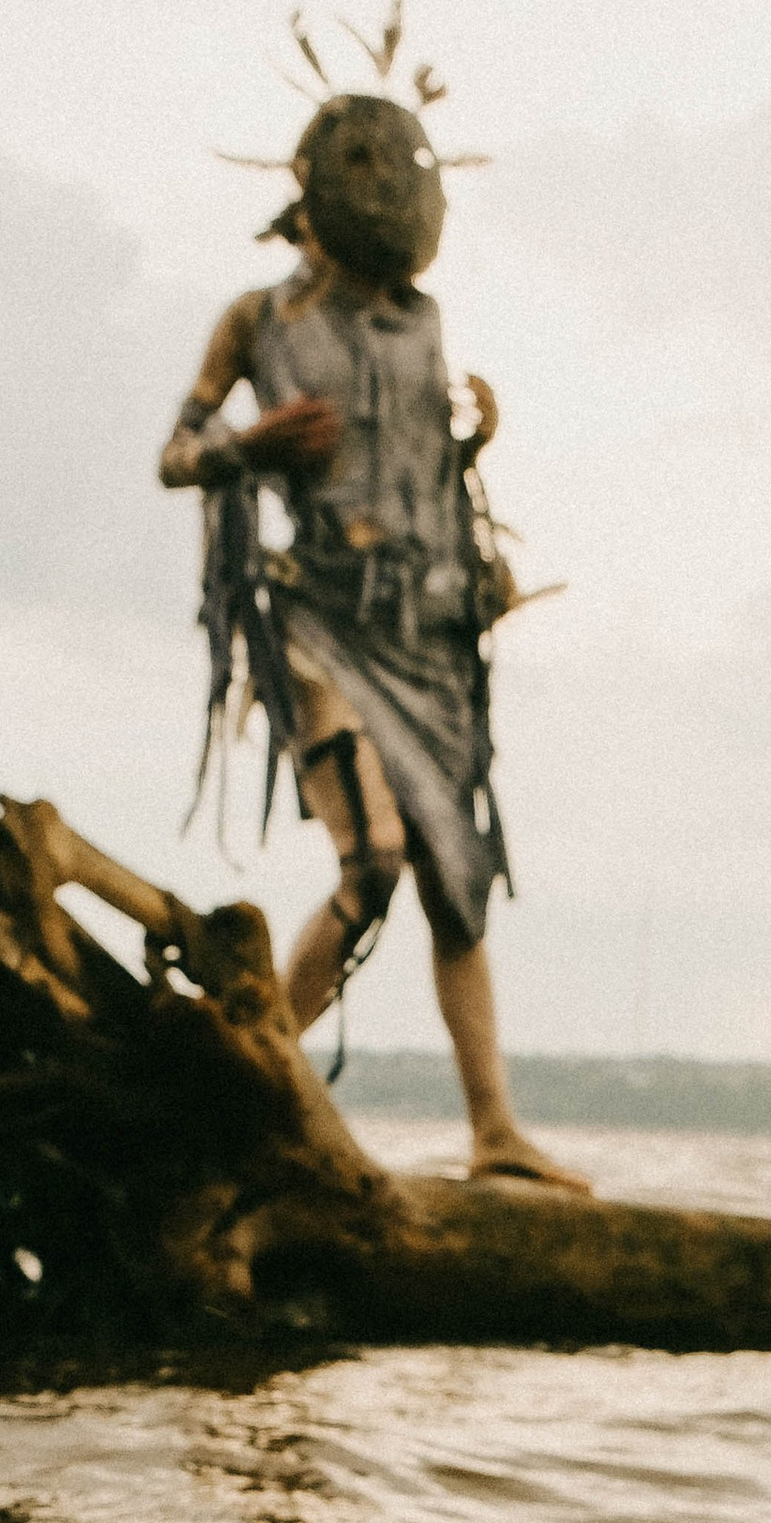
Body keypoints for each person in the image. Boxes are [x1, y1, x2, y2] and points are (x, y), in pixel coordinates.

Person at [159, 83, 587, 1191]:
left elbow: (420, 474)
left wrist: (469, 450)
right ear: (304, 203)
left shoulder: (422, 322)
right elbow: (175, 452)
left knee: (456, 883)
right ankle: (249, 1085)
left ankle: (493, 1130)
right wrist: (250, 444)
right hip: (317, 618)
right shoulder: (259, 321)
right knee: (375, 862)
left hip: (429, 631)